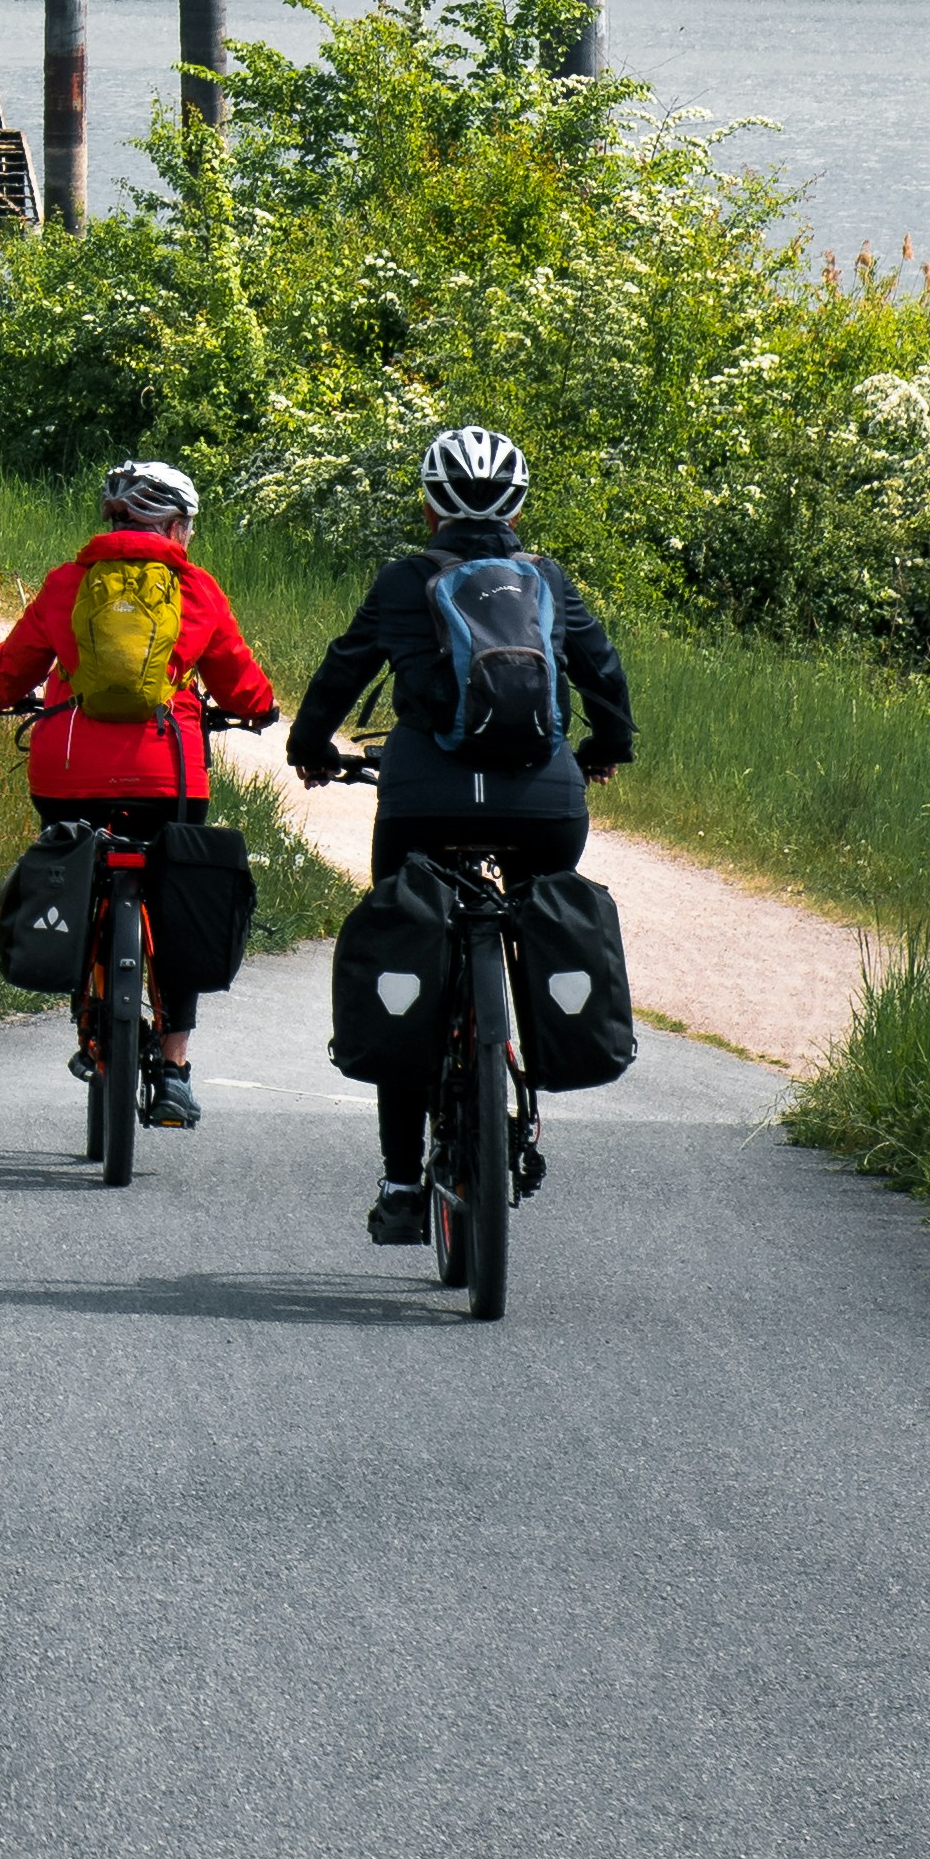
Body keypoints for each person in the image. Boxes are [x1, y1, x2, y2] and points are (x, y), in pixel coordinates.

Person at [283, 423, 638, 1247]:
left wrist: (310, 749)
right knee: (534, 918)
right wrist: (602, 749)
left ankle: (403, 1180)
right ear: (518, 503)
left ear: (429, 502)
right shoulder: (546, 579)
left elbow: (344, 668)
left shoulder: (405, 579)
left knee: (408, 942)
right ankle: (521, 1067)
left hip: (423, 800)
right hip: (543, 803)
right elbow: (603, 671)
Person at [0, 455, 280, 1127]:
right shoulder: (196, 591)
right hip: (172, 777)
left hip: (68, 774)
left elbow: (11, 668)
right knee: (182, 894)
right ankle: (174, 1067)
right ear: (176, 527)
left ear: (112, 519)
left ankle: (88, 1013)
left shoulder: (68, 584)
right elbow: (239, 680)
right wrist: (259, 709)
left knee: (76, 865)